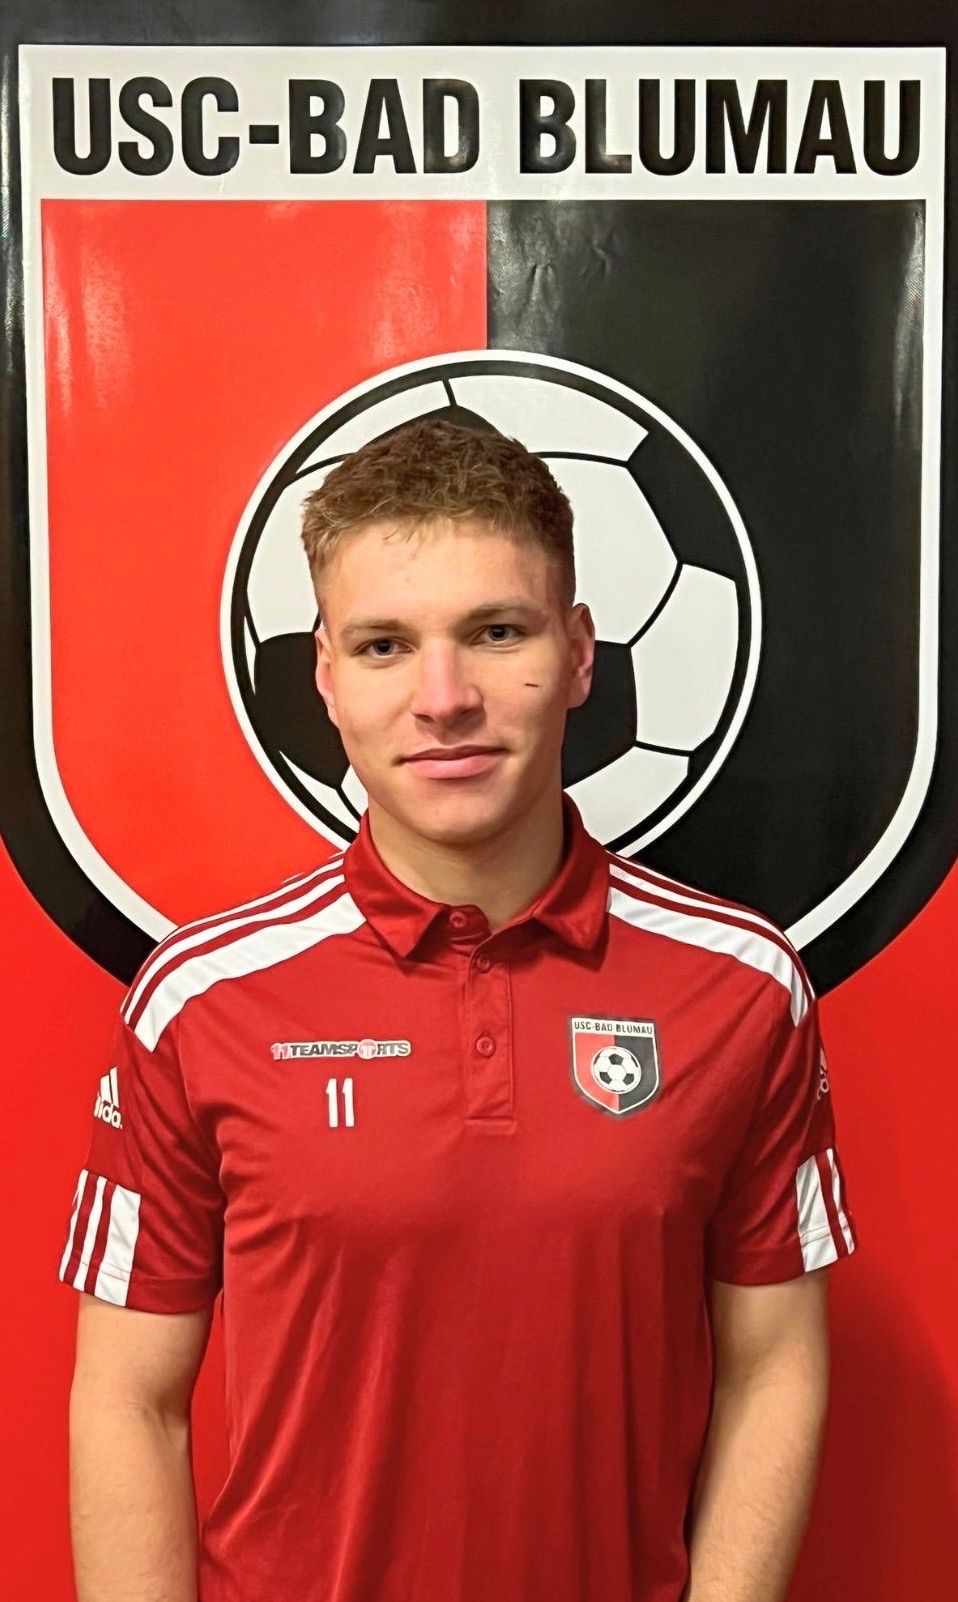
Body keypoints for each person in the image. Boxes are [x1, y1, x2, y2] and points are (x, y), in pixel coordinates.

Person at [59, 417, 858, 1602]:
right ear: (326, 677)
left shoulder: (741, 985)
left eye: (495, 632)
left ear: (579, 653)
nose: (444, 699)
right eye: (384, 645)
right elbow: (132, 1399)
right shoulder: (199, 999)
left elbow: (773, 1367)